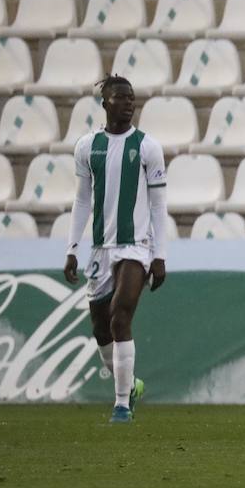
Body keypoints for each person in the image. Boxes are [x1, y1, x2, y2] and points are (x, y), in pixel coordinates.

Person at [62, 76, 168, 424]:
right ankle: (131, 385)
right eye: (120, 97)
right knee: (102, 329)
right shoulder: (87, 147)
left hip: (136, 247)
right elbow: (81, 200)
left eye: (132, 98)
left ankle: (121, 405)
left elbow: (157, 206)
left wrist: (159, 255)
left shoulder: (148, 147)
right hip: (100, 249)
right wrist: (72, 249)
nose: (128, 103)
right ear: (105, 102)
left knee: (121, 316)